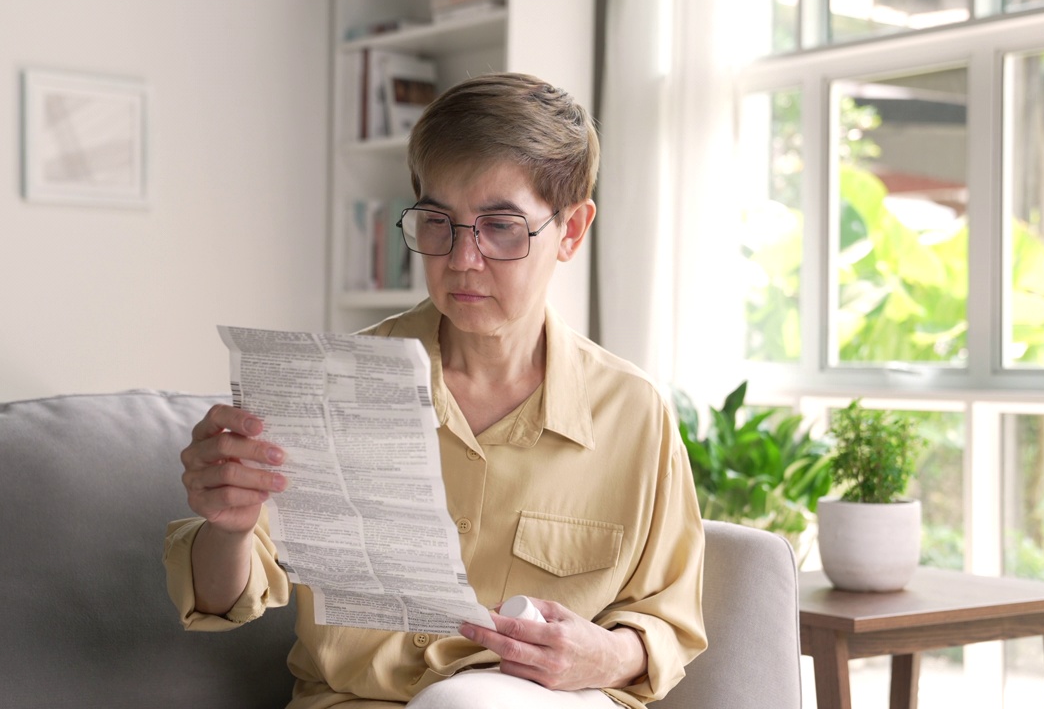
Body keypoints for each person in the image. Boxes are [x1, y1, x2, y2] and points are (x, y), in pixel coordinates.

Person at [165, 72, 707, 709]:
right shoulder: (326, 387)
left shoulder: (632, 412)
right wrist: (229, 530)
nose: (461, 259)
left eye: (501, 226)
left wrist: (608, 654)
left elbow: (669, 618)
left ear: (571, 231)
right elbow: (228, 597)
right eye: (437, 221)